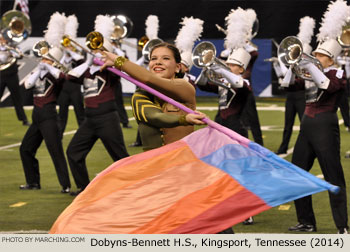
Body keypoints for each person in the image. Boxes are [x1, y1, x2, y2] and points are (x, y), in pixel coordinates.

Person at [282, 39, 349, 234]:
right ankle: (306, 221)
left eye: (320, 55)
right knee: (297, 172)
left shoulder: (337, 72)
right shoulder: (310, 72)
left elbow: (327, 85)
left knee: (333, 176)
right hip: (307, 126)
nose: (315, 57)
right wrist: (293, 63)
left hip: (325, 126)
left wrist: (309, 63)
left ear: (330, 59)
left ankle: (342, 226)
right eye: (315, 54)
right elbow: (286, 84)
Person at [66, 41, 129, 196]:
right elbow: (70, 76)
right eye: (94, 51)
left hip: (107, 118)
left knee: (120, 157)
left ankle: (133, 187)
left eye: (101, 51)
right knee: (73, 152)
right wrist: (87, 62)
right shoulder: (86, 71)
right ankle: (84, 189)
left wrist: (109, 59)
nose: (97, 53)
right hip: (90, 120)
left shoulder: (110, 71)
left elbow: (124, 65)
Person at [19, 47, 71, 193]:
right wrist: (39, 69)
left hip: (49, 116)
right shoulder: (38, 72)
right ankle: (33, 182)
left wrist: (49, 65)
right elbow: (27, 85)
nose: (43, 60)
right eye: (43, 58)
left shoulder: (55, 74)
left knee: (55, 151)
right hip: (37, 117)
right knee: (26, 149)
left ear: (54, 61)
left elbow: (62, 78)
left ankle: (65, 185)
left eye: (47, 58)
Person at [196, 48, 252, 139]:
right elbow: (201, 85)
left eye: (233, 65)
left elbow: (238, 83)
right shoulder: (223, 83)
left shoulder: (245, 83)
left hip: (236, 127)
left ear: (241, 69)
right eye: (227, 65)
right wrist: (205, 69)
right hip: (219, 123)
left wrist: (221, 70)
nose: (229, 67)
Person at [0, 35, 29, 126]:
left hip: (12, 76)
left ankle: (23, 119)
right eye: (1, 38)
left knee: (17, 98)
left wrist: (9, 48)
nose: (3, 40)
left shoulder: (13, 46)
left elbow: (19, 55)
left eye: (4, 38)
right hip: (1, 75)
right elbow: (2, 59)